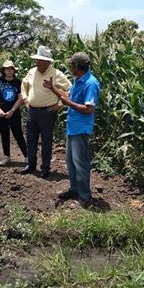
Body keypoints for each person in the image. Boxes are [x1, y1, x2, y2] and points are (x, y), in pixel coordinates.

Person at [43, 52, 101, 207]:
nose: (70, 67)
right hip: (72, 127)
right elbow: (67, 96)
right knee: (70, 161)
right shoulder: (79, 80)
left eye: (71, 65)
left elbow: (89, 109)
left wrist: (69, 104)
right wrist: (52, 88)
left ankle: (84, 196)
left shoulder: (90, 83)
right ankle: (74, 189)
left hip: (81, 128)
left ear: (76, 66)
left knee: (80, 162)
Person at [19, 46, 71, 178]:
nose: (37, 63)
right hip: (32, 112)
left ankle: (45, 168)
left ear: (48, 62)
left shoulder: (57, 74)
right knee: (31, 140)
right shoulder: (32, 72)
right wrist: (25, 99)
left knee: (46, 142)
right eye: (37, 60)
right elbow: (23, 85)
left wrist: (59, 104)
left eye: (41, 60)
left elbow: (71, 90)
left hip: (47, 113)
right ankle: (31, 165)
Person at [0, 60, 28, 166]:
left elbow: (21, 98)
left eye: (11, 69)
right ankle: (6, 156)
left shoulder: (18, 82)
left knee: (18, 134)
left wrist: (12, 110)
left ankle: (27, 157)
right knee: (4, 134)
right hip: (1, 114)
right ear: (3, 70)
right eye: (7, 69)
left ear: (14, 70)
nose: (9, 71)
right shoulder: (0, 81)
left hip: (14, 113)